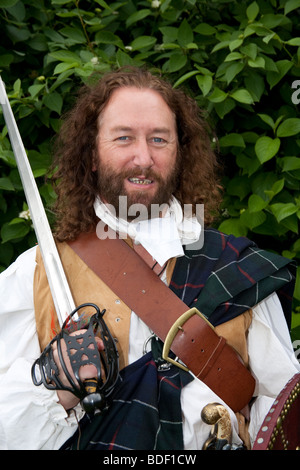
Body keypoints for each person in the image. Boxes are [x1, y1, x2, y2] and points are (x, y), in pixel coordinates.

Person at [0, 66, 299, 451]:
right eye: (124, 138)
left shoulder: (236, 268)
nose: (143, 157)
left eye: (159, 139)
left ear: (180, 153)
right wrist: (59, 390)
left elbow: (282, 422)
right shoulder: (38, 272)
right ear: (91, 154)